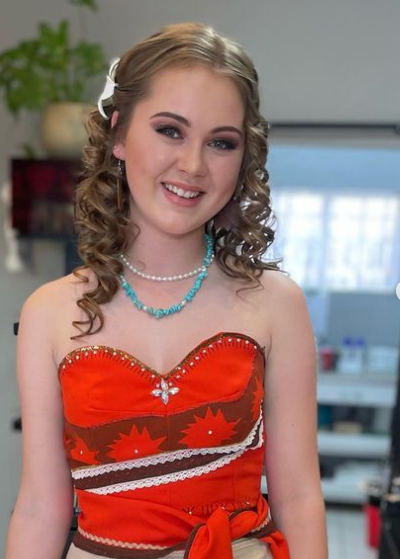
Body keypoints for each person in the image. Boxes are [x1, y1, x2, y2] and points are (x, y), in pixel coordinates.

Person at [5, 21, 328, 559]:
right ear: (118, 135)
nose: (193, 165)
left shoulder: (276, 304)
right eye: (170, 131)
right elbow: (41, 507)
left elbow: (299, 496)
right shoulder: (50, 312)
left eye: (221, 142)